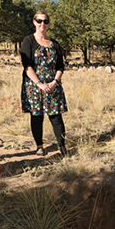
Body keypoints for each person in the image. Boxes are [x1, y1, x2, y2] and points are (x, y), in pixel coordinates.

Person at [19, 11, 68, 156]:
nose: (42, 24)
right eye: (39, 21)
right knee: (36, 116)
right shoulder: (28, 41)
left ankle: (62, 147)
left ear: (49, 24)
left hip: (53, 86)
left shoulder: (55, 44)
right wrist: (39, 84)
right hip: (34, 86)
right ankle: (39, 146)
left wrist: (54, 82)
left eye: (45, 21)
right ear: (34, 22)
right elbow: (27, 65)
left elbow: (60, 66)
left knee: (56, 117)